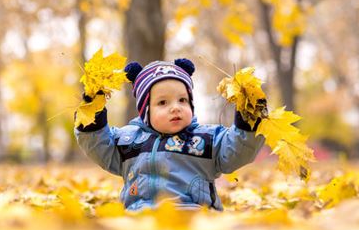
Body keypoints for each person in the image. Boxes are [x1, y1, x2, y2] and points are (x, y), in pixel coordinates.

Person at [75, 59, 265, 211]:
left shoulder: (208, 138)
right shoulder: (128, 140)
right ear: (145, 111)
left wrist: (248, 121)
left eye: (182, 100)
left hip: (195, 216)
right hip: (141, 215)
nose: (175, 107)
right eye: (163, 103)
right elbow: (99, 146)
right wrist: (92, 115)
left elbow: (237, 151)